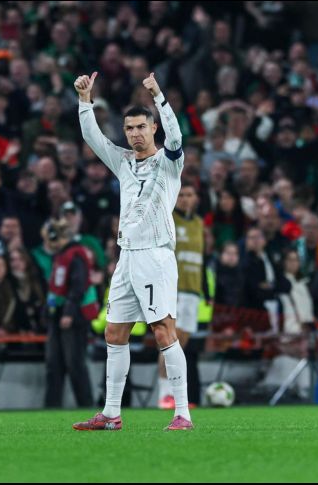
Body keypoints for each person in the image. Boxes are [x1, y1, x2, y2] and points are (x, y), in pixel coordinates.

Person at [72, 71, 192, 431]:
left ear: (153, 128)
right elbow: (93, 138)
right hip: (127, 255)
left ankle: (182, 413)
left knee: (162, 330)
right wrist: (84, 101)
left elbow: (177, 136)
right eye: (129, 128)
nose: (135, 134)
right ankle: (111, 414)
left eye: (141, 127)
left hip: (155, 255)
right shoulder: (123, 161)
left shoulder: (170, 163)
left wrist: (159, 95)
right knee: (114, 333)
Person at [158, 181, 206, 409]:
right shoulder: (169, 219)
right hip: (173, 289)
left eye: (190, 194)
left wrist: (204, 289)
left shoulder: (199, 223)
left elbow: (200, 260)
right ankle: (163, 395)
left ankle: (174, 395)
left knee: (181, 344)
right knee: (169, 341)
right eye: (182, 194)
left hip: (192, 291)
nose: (186, 199)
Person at [44, 218, 98, 408]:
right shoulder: (63, 255)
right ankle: (51, 406)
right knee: (54, 364)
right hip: (59, 313)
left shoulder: (76, 255)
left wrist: (69, 312)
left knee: (75, 364)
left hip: (73, 316)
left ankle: (86, 405)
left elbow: (79, 285)